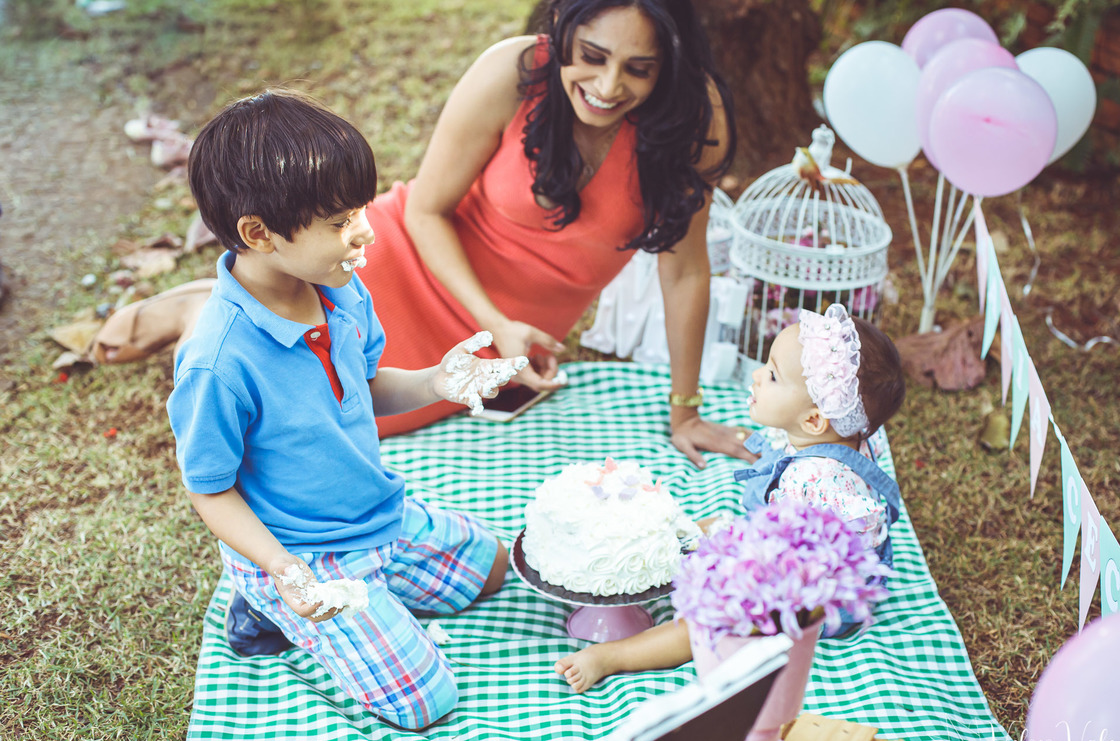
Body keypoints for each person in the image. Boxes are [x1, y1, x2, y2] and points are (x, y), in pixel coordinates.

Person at [92, 0, 752, 469]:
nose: (608, 86)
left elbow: (685, 270)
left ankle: (215, 302)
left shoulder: (695, 120)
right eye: (592, 57)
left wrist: (685, 410)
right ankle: (202, 304)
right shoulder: (515, 72)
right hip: (411, 262)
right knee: (294, 382)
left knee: (370, 407)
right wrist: (494, 321)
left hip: (504, 331)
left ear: (669, 61)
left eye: (639, 69)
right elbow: (426, 211)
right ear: (561, 29)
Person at [168, 88, 527, 730]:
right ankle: (264, 606)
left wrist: (436, 382)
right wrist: (282, 569)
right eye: (339, 222)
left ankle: (372, 605)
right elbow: (209, 489)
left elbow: (362, 386)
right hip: (305, 556)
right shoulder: (216, 363)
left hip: (378, 515)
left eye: (360, 209)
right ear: (258, 233)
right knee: (425, 704)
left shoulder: (341, 289)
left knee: (498, 567)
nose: (365, 230)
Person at [554, 304, 907, 693]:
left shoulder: (813, 480)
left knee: (709, 620)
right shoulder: (840, 434)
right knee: (700, 530)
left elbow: (792, 567)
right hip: (798, 550)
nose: (756, 375)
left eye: (771, 375)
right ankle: (644, 560)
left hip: (816, 597)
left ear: (812, 420)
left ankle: (611, 656)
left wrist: (734, 576)